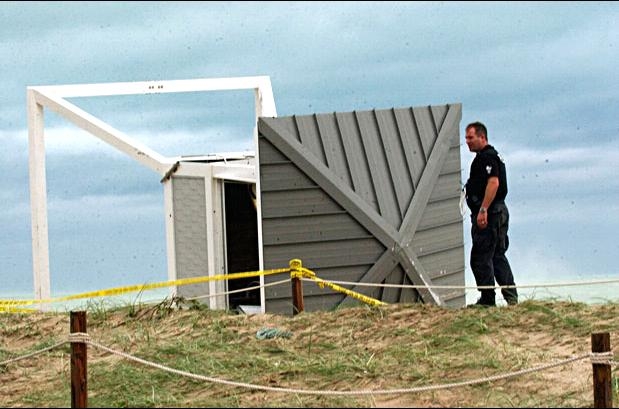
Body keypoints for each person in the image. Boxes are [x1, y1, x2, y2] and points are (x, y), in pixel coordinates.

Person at [464, 122, 518, 307]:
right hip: (498, 211)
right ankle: (511, 297)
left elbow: (493, 183)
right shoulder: (491, 156)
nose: (467, 141)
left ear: (482, 137)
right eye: (466, 138)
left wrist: (483, 209)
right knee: (496, 255)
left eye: (470, 137)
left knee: (480, 257)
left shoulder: (487, 157)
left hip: (491, 214)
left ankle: (487, 299)